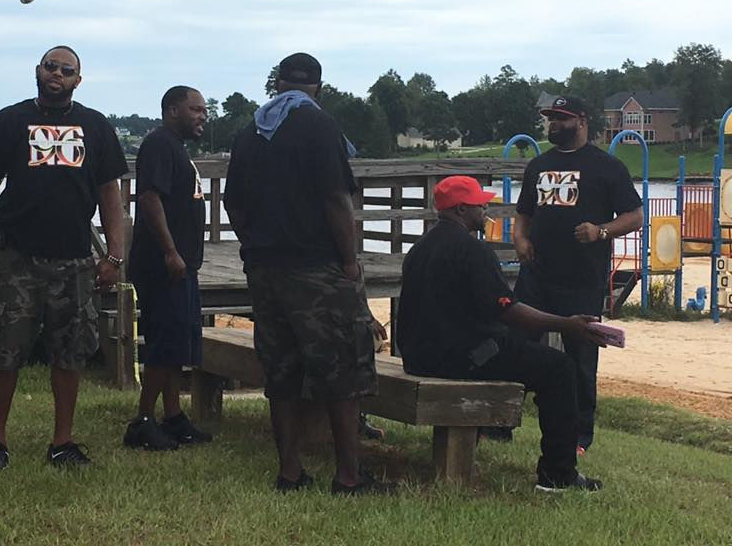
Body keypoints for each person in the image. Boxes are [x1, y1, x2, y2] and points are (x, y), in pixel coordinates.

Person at [0, 45, 128, 472]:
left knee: (70, 351)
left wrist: (114, 256)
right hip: (17, 257)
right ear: (38, 71)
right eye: (50, 66)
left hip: (75, 259)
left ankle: (62, 442)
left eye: (66, 70)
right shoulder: (11, 121)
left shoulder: (96, 126)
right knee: (4, 350)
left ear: (78, 80)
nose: (57, 74)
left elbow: (109, 195)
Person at [223, 52, 392, 495]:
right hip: (316, 268)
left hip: (265, 269)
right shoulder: (319, 125)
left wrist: (253, 243)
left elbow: (232, 203)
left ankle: (290, 473)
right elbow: (336, 199)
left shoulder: (250, 133)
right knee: (342, 371)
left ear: (277, 83)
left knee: (281, 372)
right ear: (318, 87)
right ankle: (349, 476)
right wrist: (350, 261)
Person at [396, 175, 609, 492]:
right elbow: (507, 310)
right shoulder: (472, 250)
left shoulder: (420, 248)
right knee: (559, 369)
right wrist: (567, 324)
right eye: (479, 205)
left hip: (419, 357)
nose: (485, 209)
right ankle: (558, 474)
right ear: (460, 209)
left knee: (513, 348)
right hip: (460, 359)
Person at [514, 95, 642, 454]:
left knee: (582, 357)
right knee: (516, 344)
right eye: (550, 118)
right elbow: (524, 214)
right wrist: (520, 240)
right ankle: (499, 422)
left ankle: (578, 435)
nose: (553, 124)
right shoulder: (538, 166)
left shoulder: (607, 167)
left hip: (581, 278)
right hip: (537, 275)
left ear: (582, 122)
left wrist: (601, 231)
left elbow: (635, 216)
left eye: (561, 118)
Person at [123, 86, 212, 450]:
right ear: (173, 110)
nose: (203, 116)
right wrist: (170, 251)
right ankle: (142, 421)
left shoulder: (177, 148)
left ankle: (173, 417)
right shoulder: (159, 144)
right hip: (162, 265)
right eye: (195, 109)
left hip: (182, 265)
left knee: (178, 344)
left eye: (204, 110)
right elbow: (149, 198)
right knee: (164, 342)